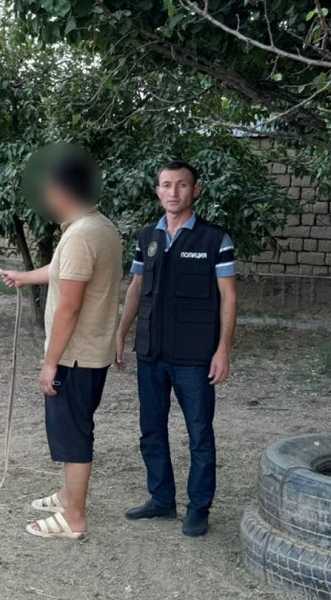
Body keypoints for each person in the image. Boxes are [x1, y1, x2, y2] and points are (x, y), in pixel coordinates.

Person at [3, 147, 122, 539]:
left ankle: (74, 518)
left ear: (61, 190)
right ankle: (67, 495)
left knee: (73, 436)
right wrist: (23, 277)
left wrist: (50, 362)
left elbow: (68, 307)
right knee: (76, 428)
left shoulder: (79, 237)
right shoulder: (100, 227)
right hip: (92, 354)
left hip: (73, 358)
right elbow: (61, 273)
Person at [115, 160, 237, 538]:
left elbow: (228, 296)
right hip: (151, 351)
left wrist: (223, 350)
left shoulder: (216, 239)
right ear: (158, 191)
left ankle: (198, 508)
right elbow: (136, 287)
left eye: (182, 185)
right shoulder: (146, 237)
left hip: (195, 356)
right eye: (166, 185)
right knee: (151, 430)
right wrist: (121, 332)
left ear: (195, 191)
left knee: (199, 433)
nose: (173, 192)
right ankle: (161, 499)